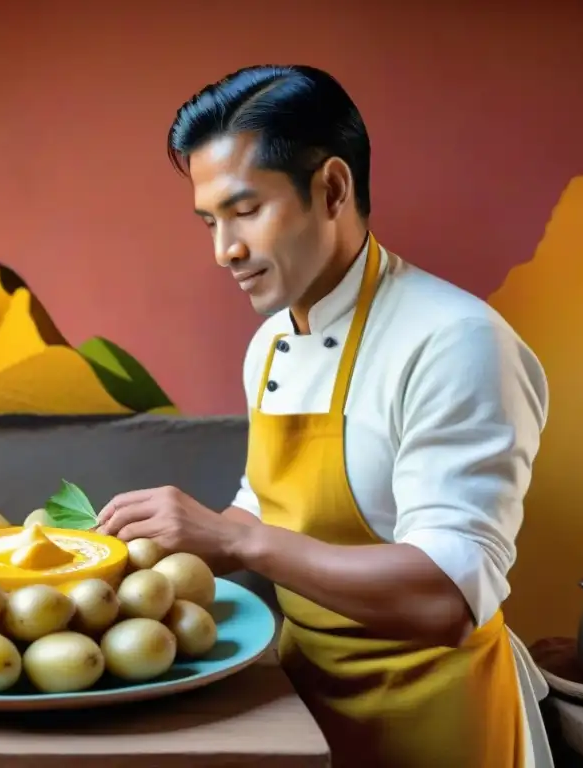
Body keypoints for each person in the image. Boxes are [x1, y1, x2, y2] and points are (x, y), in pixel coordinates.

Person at [94, 65, 553, 768]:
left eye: (245, 211)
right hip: (301, 704)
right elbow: (264, 511)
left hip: (434, 721)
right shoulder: (272, 344)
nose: (225, 250)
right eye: (211, 221)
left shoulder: (456, 341)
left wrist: (234, 543)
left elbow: (448, 597)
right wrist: (154, 549)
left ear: (333, 188)